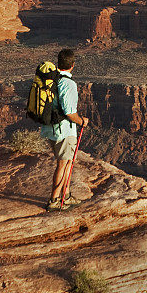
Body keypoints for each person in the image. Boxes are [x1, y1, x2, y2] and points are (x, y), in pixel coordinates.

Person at [41, 48, 89, 211]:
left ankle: (66, 196)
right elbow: (69, 112)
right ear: (72, 65)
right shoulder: (68, 84)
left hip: (50, 128)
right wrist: (81, 121)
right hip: (64, 130)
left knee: (68, 162)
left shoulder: (51, 80)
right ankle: (54, 200)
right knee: (63, 164)